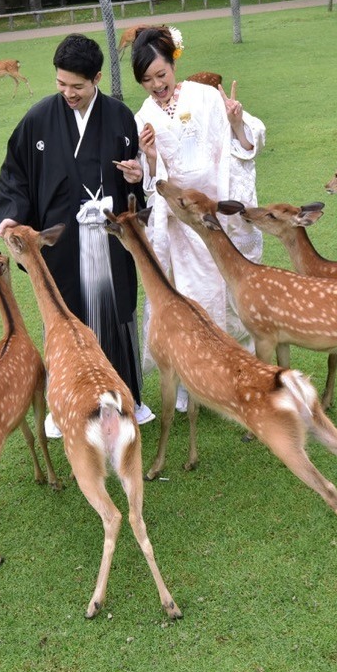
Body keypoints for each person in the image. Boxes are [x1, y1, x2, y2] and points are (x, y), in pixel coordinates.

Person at [0, 33, 154, 432]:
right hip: (62, 245)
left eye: (77, 87)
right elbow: (15, 174)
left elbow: (136, 184)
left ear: (97, 78)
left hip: (111, 242)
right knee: (64, 320)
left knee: (116, 315)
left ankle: (126, 398)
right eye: (61, 84)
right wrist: (11, 216)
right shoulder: (38, 119)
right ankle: (66, 404)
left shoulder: (119, 117)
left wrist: (137, 177)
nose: (68, 93)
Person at [128, 27, 266, 410]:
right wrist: (150, 159)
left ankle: (244, 369)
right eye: (147, 80)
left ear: (174, 63)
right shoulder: (143, 117)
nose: (157, 86)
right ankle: (197, 377)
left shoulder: (205, 96)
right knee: (192, 296)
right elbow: (152, 179)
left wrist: (237, 121)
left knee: (236, 293)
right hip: (182, 220)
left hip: (219, 210)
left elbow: (247, 138)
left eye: (161, 75)